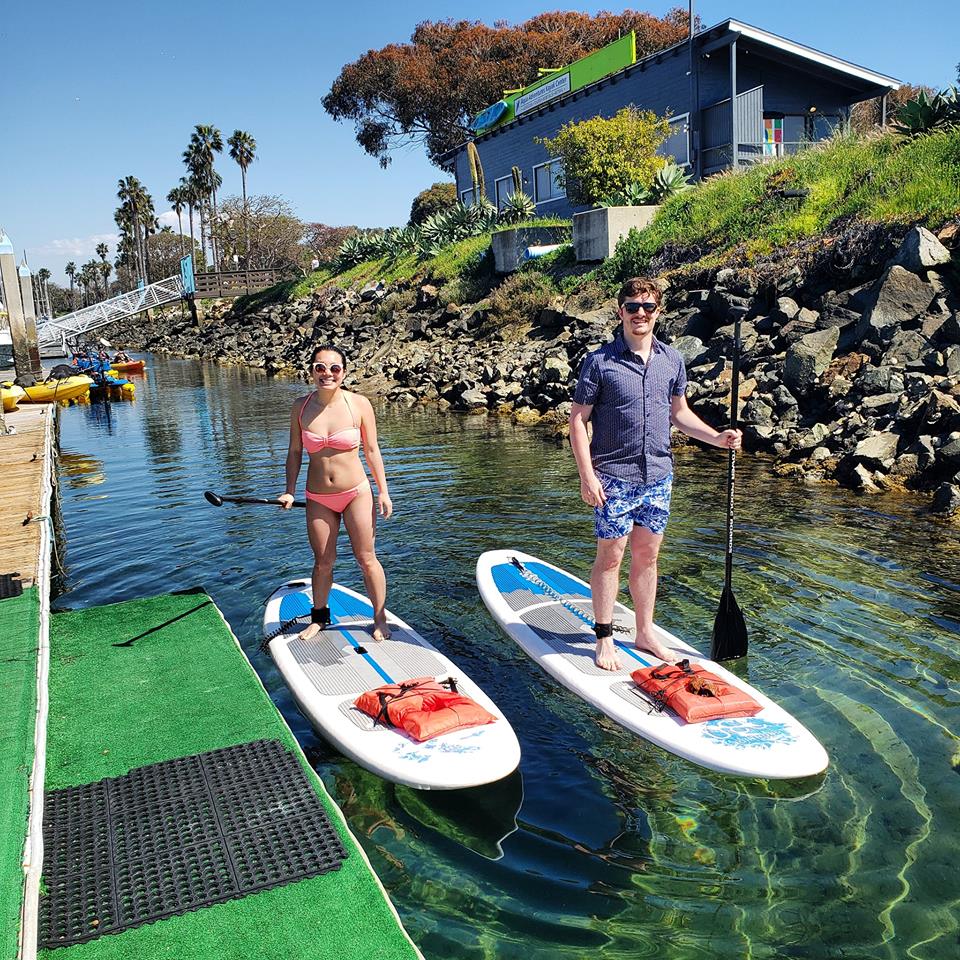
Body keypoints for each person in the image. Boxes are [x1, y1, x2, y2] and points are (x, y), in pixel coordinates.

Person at [569, 277, 742, 671]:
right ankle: (604, 637)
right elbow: (578, 421)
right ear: (620, 312)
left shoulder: (671, 360)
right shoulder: (600, 362)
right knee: (610, 559)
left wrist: (717, 437)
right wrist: (586, 476)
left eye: (648, 307)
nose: (640, 314)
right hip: (612, 476)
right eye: (633, 307)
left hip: (659, 477)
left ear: (658, 312)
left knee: (647, 557)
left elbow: (679, 414)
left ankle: (645, 632)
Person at [279, 344, 393, 641]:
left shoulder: (359, 404)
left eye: (334, 368)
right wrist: (289, 491)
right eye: (320, 367)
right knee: (323, 561)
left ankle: (379, 618)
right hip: (318, 496)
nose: (326, 374)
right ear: (311, 371)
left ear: (343, 372)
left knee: (366, 557)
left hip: (356, 492)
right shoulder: (300, 407)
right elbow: (294, 452)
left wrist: (383, 491)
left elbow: (371, 449)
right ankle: (319, 618)